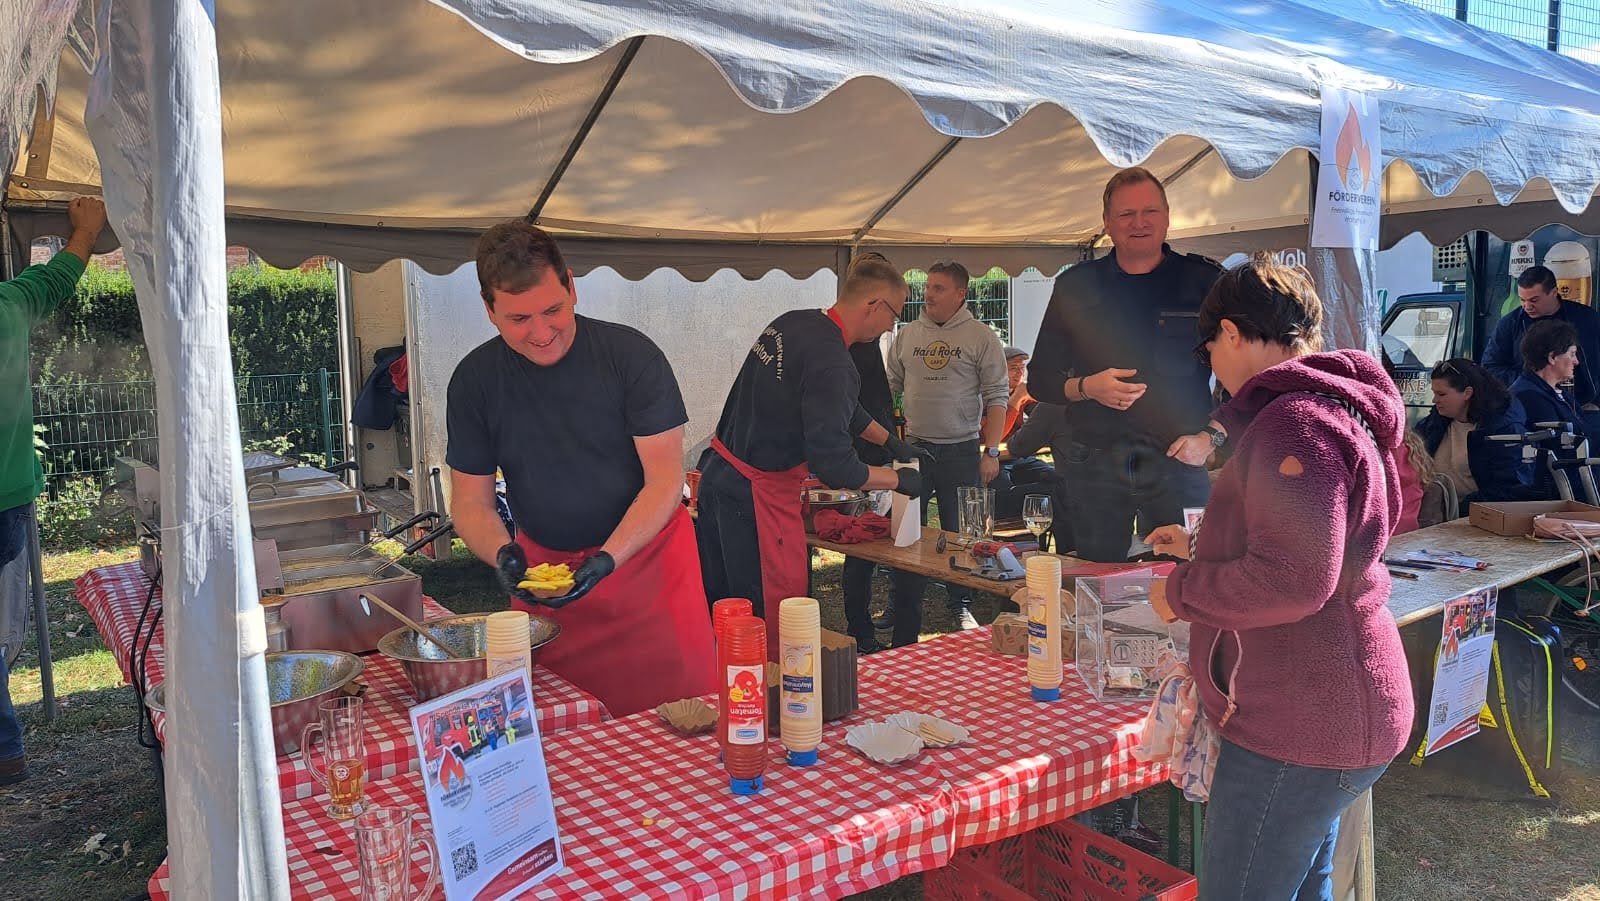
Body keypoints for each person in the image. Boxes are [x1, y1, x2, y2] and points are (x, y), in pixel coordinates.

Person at [1143, 257, 1413, 900]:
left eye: (1210, 349)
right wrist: (1202, 545)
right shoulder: (1328, 409)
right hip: (1328, 707)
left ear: (1231, 333)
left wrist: (1180, 593)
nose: (1213, 366)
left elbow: (1295, 578)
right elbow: (1317, 543)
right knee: (1303, 885)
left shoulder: (1295, 421)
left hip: (1300, 720)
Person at [446, 219, 713, 717]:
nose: (542, 333)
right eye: (519, 319)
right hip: (545, 577)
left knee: (681, 726)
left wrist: (610, 558)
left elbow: (664, 481)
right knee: (556, 730)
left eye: (553, 310)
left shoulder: (631, 357)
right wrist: (501, 553)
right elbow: (470, 500)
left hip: (649, 573)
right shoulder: (474, 382)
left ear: (571, 285)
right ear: (488, 309)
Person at [697, 257, 924, 653]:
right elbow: (836, 466)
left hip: (718, 477)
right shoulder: (834, 363)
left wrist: (890, 441)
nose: (892, 326)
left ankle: (723, 685)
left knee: (724, 610)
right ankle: (773, 690)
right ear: (873, 305)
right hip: (756, 497)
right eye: (895, 315)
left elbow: (843, 407)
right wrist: (897, 479)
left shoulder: (793, 324)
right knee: (768, 623)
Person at [1027, 167, 1224, 562]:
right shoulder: (1075, 286)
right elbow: (1040, 380)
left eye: (1150, 211)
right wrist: (1087, 388)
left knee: (1189, 576)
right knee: (1096, 582)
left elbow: (1248, 379)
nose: (1139, 223)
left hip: (1178, 462)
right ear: (1107, 223)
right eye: (1126, 214)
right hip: (1095, 465)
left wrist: (1212, 438)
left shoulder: (1206, 282)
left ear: (1167, 217)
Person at [0, 196, 107, 786]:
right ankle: (5, 747)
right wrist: (86, 230)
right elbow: (59, 277)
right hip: (9, 502)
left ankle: (6, 746)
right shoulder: (9, 305)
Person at [885, 259, 1009, 631]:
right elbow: (890, 386)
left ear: (960, 294)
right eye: (927, 287)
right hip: (913, 449)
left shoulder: (981, 336)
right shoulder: (908, 334)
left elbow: (997, 396)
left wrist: (991, 451)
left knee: (961, 534)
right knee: (905, 530)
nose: (928, 294)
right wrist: (889, 440)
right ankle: (902, 601)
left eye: (938, 288)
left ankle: (960, 602)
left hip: (960, 449)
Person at [838, 252, 923, 652]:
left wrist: (892, 441)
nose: (891, 322)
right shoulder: (844, 338)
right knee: (860, 548)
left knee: (903, 541)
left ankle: (904, 632)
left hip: (884, 448)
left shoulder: (870, 338)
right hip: (857, 455)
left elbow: (875, 394)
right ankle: (861, 630)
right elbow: (848, 407)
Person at [1481, 265, 1600, 422]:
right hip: (1531, 408)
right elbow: (1490, 368)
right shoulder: (1510, 323)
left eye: (1534, 300)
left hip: (1586, 407)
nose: (1527, 306)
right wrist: (1534, 380)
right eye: (1522, 300)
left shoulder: (1587, 318)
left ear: (1554, 292)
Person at [1416, 358, 1533, 506]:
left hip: (1476, 512)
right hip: (1434, 508)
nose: (1434, 400)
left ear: (1467, 393)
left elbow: (1508, 488)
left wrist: (1463, 509)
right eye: (1434, 393)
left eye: (1442, 394)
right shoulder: (1435, 421)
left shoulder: (1503, 429)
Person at [1511, 319, 1592, 502]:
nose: (1576, 361)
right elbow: (1561, 446)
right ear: (1552, 357)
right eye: (1572, 354)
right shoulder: (1529, 396)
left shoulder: (1559, 393)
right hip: (1562, 491)